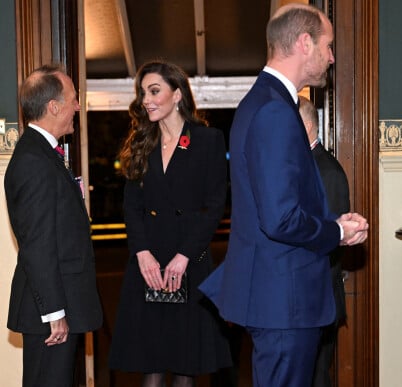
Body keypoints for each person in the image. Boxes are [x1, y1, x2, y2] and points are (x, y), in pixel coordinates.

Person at [199, 4, 369, 387]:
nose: (331, 56)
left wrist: (333, 223)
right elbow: (280, 218)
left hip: (277, 297)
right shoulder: (274, 110)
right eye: (327, 46)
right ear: (304, 43)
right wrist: (337, 233)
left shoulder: (265, 102)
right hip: (284, 301)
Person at [108, 60, 231, 387]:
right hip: (148, 264)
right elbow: (131, 207)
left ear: (177, 94)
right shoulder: (141, 144)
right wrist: (142, 253)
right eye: (143, 92)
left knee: (184, 365)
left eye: (154, 90)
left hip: (190, 261)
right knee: (152, 363)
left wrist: (184, 256)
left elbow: (215, 205)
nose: (146, 99)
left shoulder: (208, 140)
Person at [4, 64, 103, 387]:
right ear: (53, 107)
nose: (78, 106)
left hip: (58, 305)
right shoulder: (34, 161)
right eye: (74, 99)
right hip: (50, 312)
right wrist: (54, 313)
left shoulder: (42, 154)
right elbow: (38, 244)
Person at [298, 96, 350, 387]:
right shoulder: (303, 165)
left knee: (317, 378)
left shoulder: (326, 171)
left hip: (317, 298)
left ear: (306, 126)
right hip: (304, 300)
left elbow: (330, 239)